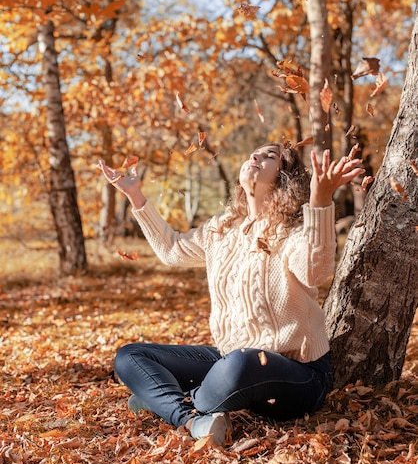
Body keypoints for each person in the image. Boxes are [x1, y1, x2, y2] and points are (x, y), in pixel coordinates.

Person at [97, 142, 364, 445]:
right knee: (130, 356)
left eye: (270, 156)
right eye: (256, 151)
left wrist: (320, 198)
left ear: (285, 176)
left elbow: (316, 271)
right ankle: (190, 419)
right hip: (229, 360)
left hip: (297, 374)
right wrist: (135, 194)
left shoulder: (293, 230)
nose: (255, 155)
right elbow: (171, 249)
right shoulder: (222, 230)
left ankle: (166, 400)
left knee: (242, 364)